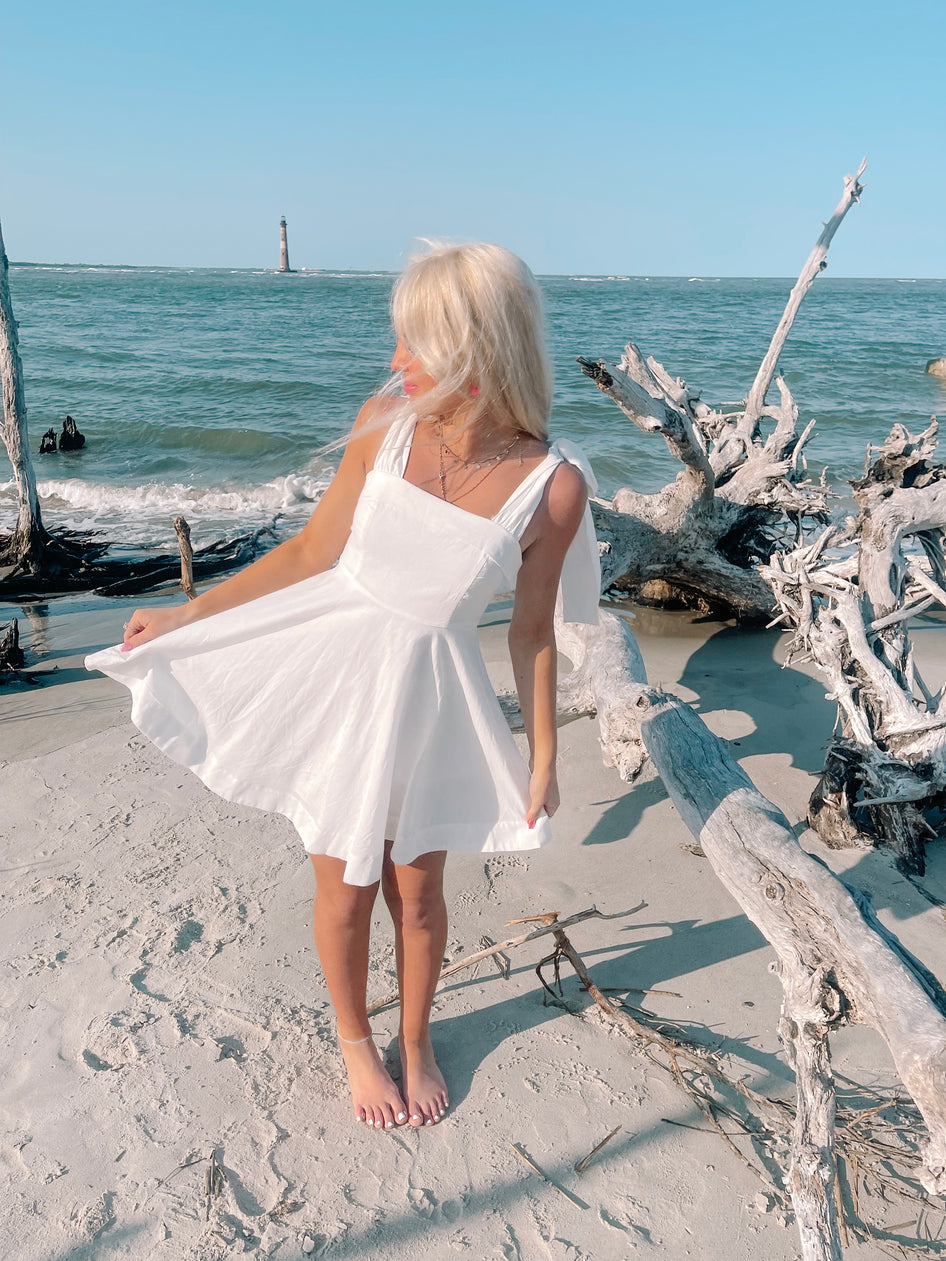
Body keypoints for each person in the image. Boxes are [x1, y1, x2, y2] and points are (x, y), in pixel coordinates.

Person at [85, 241, 600, 1134]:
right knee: (346, 887)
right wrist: (189, 613)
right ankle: (357, 1041)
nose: (396, 362)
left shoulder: (552, 489)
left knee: (421, 891)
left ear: (476, 356)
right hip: (336, 687)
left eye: (416, 345)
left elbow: (530, 633)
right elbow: (310, 553)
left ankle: (417, 1035)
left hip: (430, 706)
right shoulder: (386, 424)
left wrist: (544, 751)